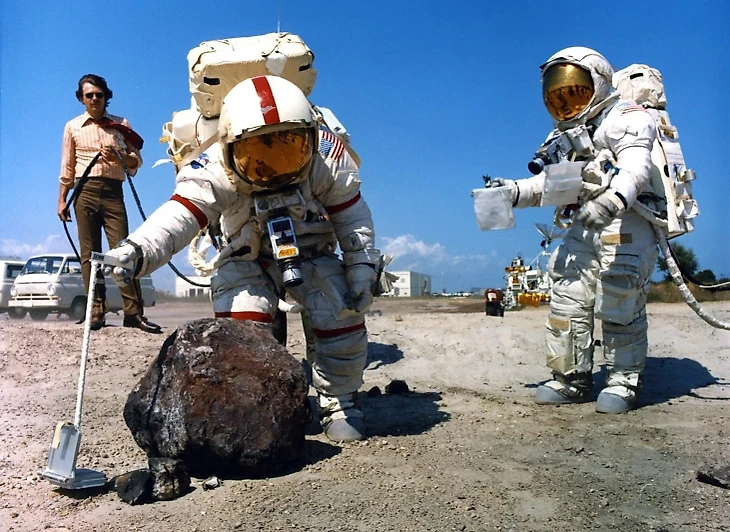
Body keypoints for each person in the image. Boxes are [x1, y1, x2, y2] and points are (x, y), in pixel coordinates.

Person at [105, 75, 381, 441]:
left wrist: (361, 269)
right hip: (246, 258)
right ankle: (263, 405)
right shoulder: (213, 168)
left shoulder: (327, 160)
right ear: (230, 145)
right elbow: (178, 218)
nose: (275, 165)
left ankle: (339, 401)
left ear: (311, 137)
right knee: (243, 324)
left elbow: (352, 220)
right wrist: (137, 251)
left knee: (339, 308)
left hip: (314, 254)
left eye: (289, 147)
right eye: (258, 155)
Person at [487, 47, 658, 414]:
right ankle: (570, 378)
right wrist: (512, 192)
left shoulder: (626, 117)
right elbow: (553, 186)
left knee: (619, 299)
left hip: (625, 219)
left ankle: (623, 380)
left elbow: (636, 166)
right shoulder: (564, 137)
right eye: (558, 96)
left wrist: (612, 199)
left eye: (575, 92)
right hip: (584, 220)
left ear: (598, 83)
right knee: (567, 295)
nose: (566, 102)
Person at [57, 74, 161, 333]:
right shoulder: (72, 127)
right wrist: (62, 200)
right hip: (84, 191)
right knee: (89, 254)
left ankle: (133, 313)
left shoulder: (121, 124)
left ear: (106, 97)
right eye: (89, 95)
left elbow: (136, 161)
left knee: (123, 252)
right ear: (81, 99)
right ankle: (96, 310)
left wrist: (119, 156)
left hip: (114, 193)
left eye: (99, 95)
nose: (94, 99)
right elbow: (67, 168)